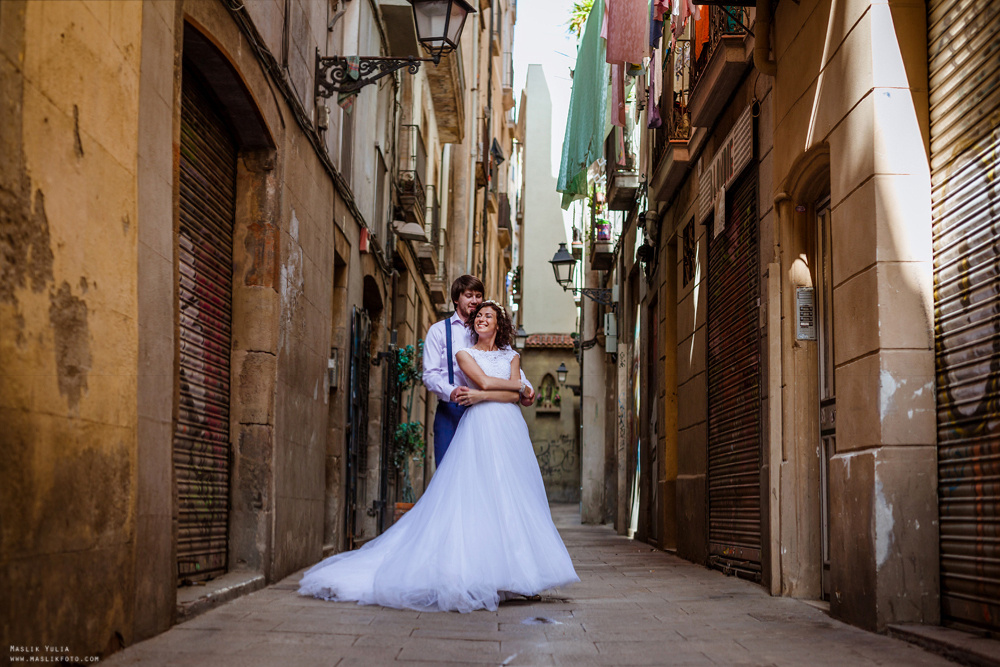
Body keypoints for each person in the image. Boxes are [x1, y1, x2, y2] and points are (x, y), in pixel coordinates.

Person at [298, 300, 579, 613]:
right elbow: (492, 383)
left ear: (499, 324)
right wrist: (499, 390)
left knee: (512, 495)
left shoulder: (512, 355)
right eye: (479, 316)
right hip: (481, 426)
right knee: (479, 495)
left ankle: (517, 575)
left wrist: (486, 395)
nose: (483, 319)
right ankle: (482, 572)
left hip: (510, 430)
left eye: (489, 316)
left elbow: (514, 394)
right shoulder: (464, 354)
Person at [422, 275, 535, 465]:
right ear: (457, 299)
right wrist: (452, 392)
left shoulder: (489, 329)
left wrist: (526, 388)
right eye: (469, 295)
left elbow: (508, 363)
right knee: (448, 471)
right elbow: (430, 374)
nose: (475, 300)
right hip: (453, 410)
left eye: (478, 295)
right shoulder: (439, 331)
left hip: (488, 411)